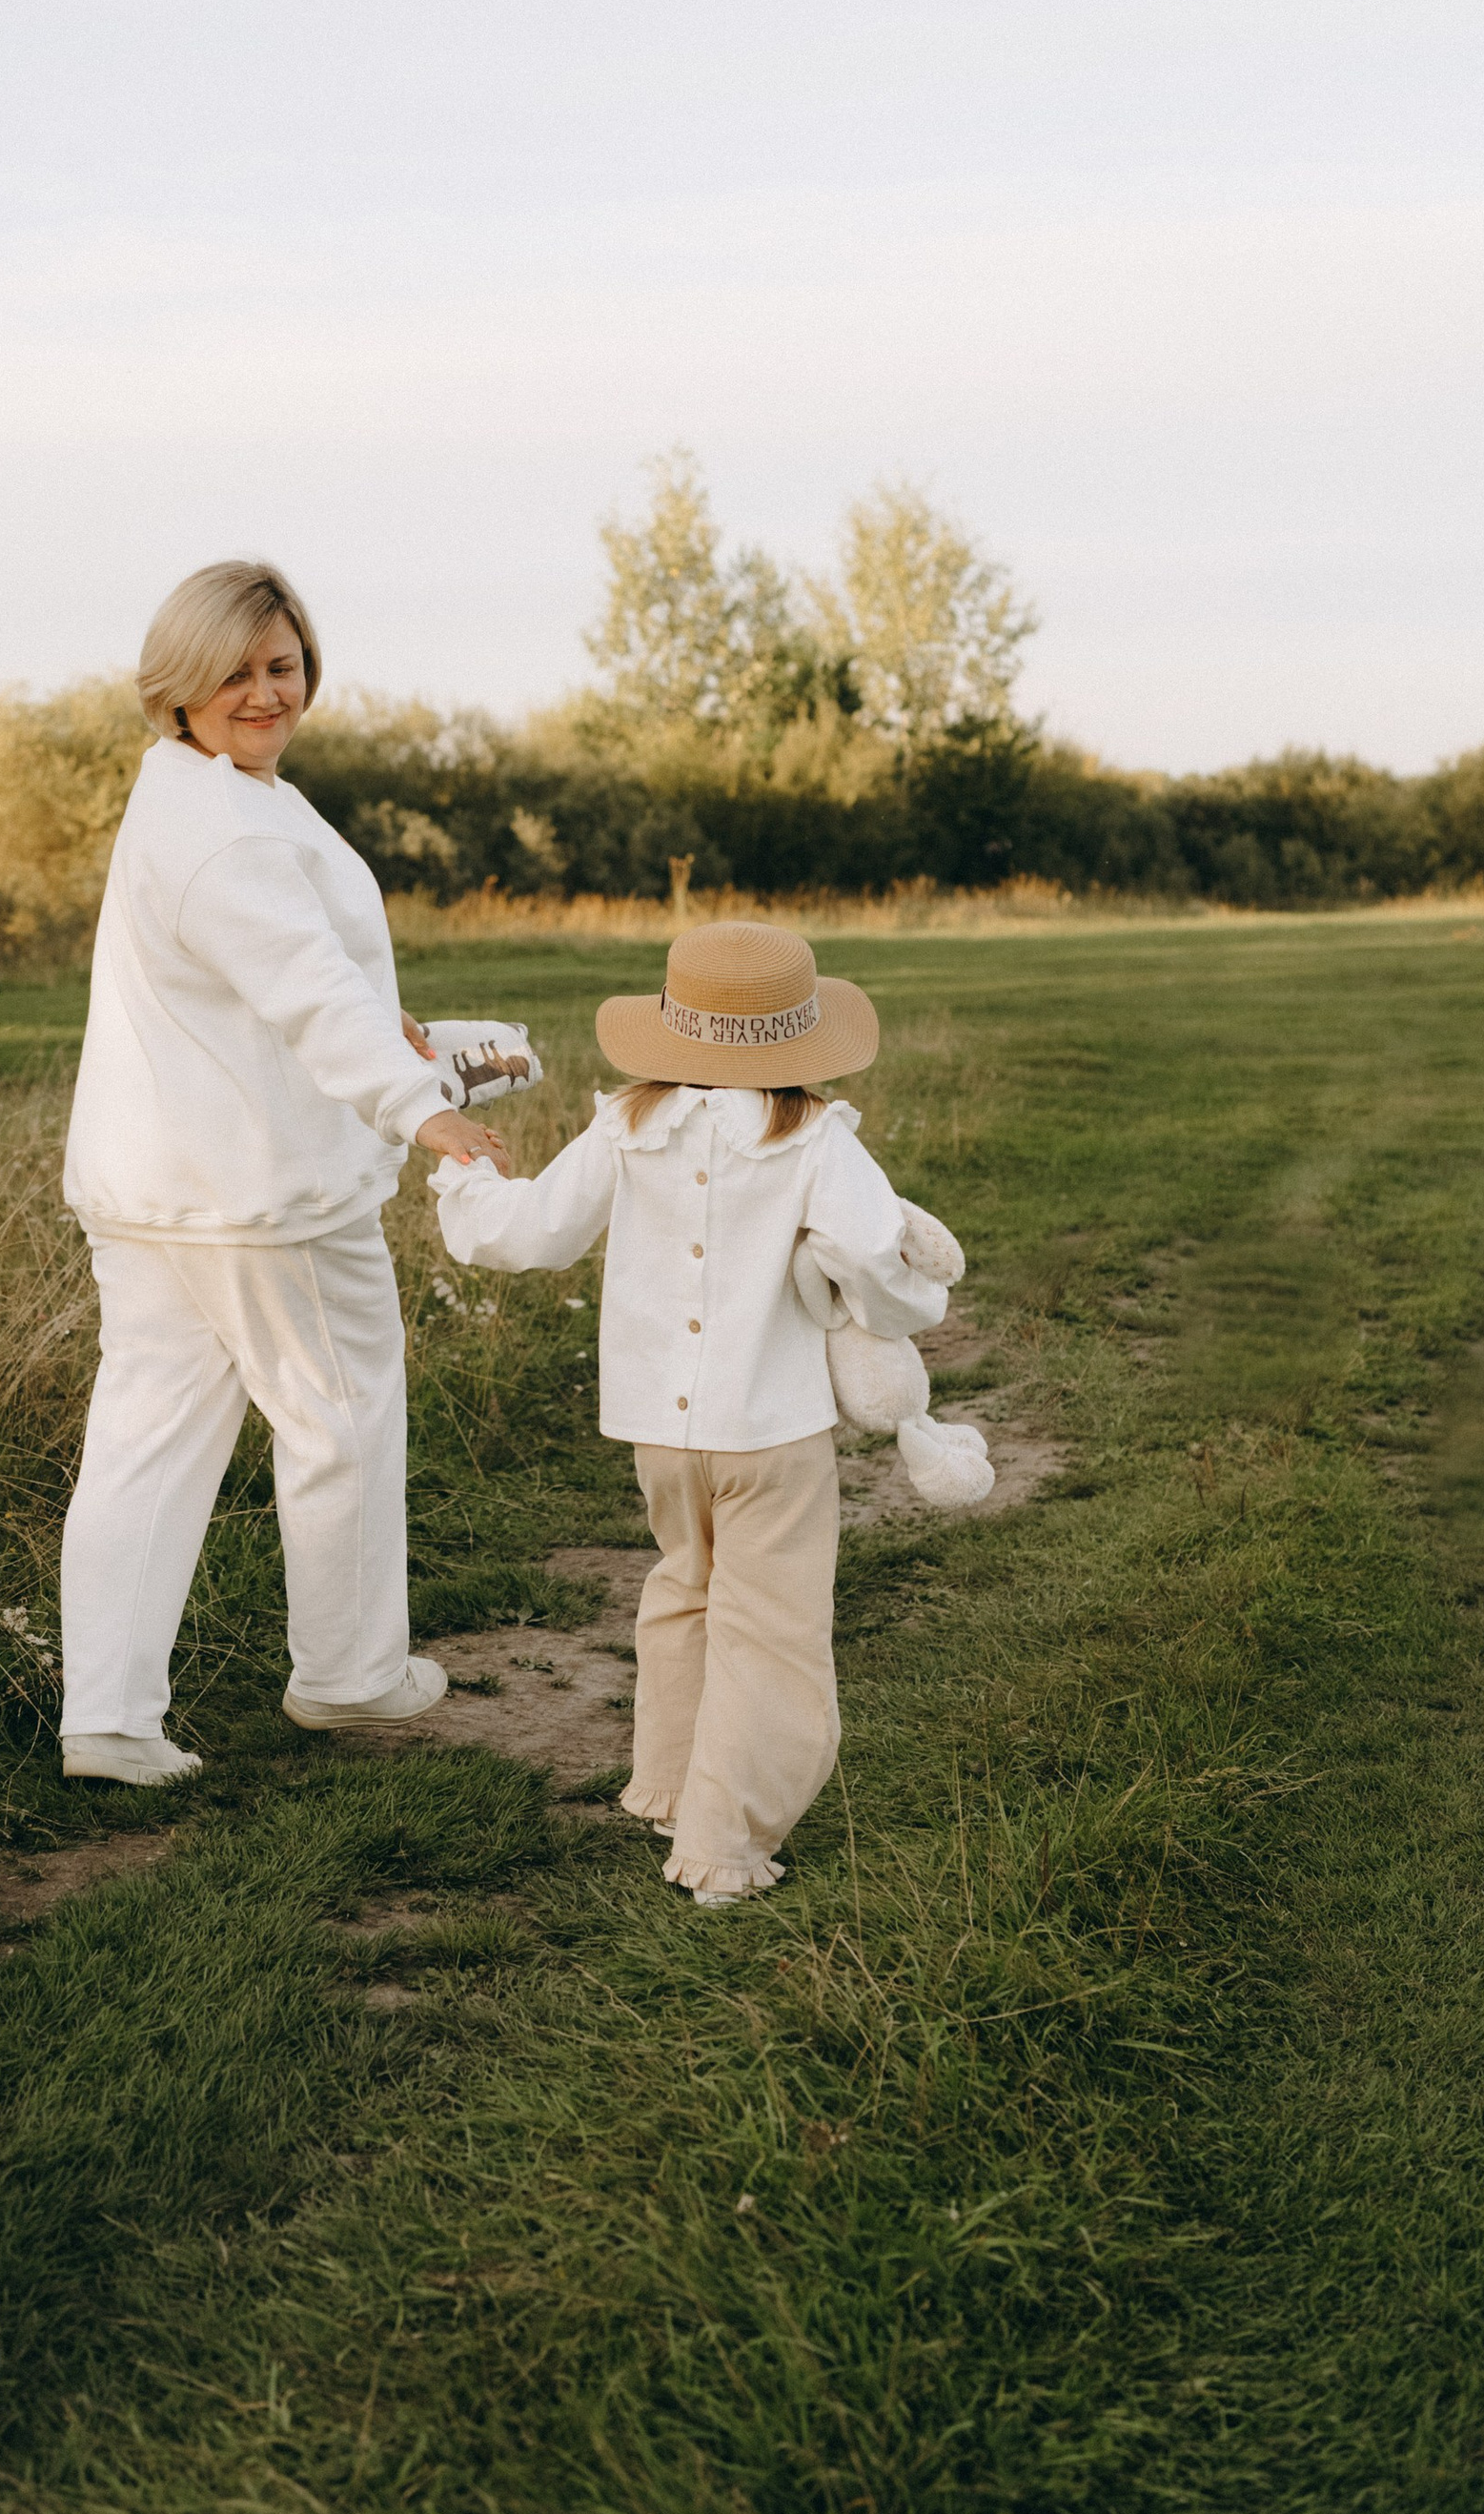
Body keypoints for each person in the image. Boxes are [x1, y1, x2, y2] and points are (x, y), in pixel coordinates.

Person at [57, 560, 512, 1786]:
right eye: (235, 673)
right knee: (342, 1413)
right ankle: (351, 1676)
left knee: (147, 1434)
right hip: (260, 1193)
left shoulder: (212, 794)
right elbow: (307, 991)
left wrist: (405, 1039)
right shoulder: (222, 827)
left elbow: (291, 986)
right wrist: (426, 1112)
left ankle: (105, 1718)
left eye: (282, 664)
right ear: (179, 690)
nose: (265, 692)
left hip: (159, 1185)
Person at [432, 921, 951, 1901]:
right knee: (771, 1628)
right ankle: (723, 1846)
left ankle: (670, 1784)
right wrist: (890, 1308)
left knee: (685, 1585)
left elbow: (530, 1232)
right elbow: (877, 1264)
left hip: (659, 1434)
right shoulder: (814, 1140)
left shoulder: (627, 1125)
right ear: (801, 1042)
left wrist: (463, 1178)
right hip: (772, 1431)